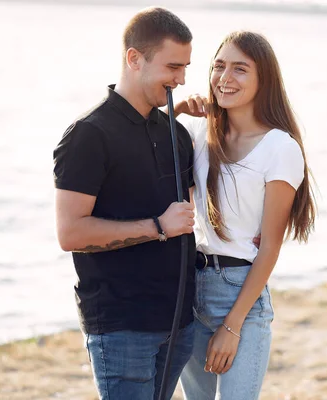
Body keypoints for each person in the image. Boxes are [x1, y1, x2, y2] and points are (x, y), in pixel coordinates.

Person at [52, 7, 198, 400]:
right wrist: (157, 226)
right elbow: (71, 232)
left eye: (185, 68)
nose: (181, 80)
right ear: (134, 59)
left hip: (180, 324)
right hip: (122, 328)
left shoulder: (176, 134)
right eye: (172, 67)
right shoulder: (88, 135)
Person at [174, 31, 316, 399]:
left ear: (263, 79)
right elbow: (141, 154)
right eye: (219, 66)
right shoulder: (199, 133)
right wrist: (172, 112)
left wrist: (233, 325)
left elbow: (269, 247)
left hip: (242, 294)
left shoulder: (279, 148)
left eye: (240, 69)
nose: (225, 78)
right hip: (192, 287)